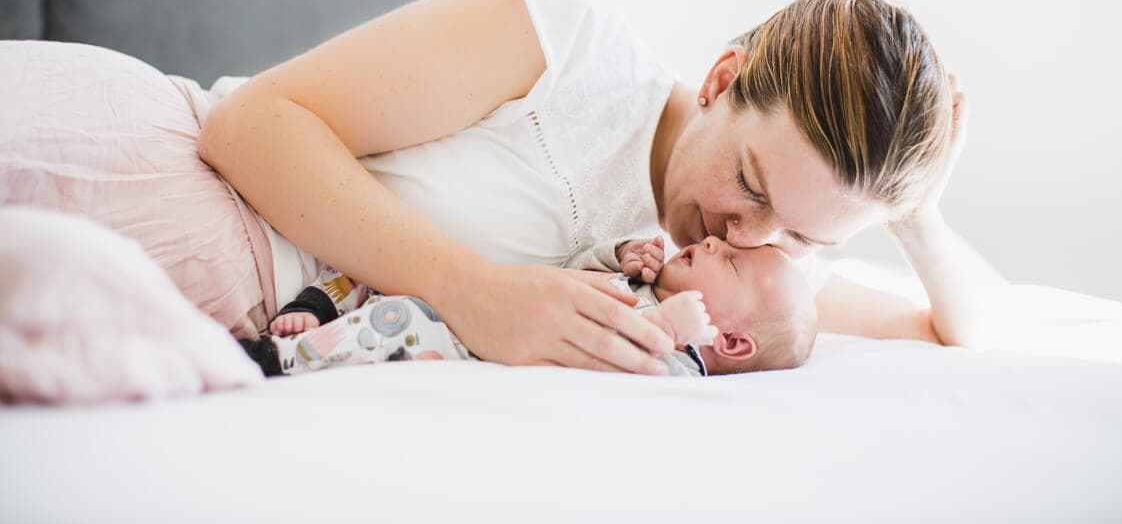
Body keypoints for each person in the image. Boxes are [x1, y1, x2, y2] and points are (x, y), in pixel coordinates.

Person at [196, 0, 1007, 376]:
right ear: (723, 80)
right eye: (753, 187)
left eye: (801, 233)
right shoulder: (572, 50)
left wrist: (915, 214)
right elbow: (250, 125)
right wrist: (472, 292)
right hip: (165, 182)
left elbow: (963, 332)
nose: (746, 234)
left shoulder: (740, 282)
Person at [239, 234, 815, 378]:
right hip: (479, 297)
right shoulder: (641, 282)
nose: (714, 242)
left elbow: (638, 379)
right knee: (373, 266)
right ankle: (315, 307)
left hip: (464, 341)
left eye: (732, 263)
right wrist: (618, 252)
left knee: (403, 319)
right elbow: (571, 267)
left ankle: (277, 358)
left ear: (732, 342)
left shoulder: (681, 362)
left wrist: (667, 328)